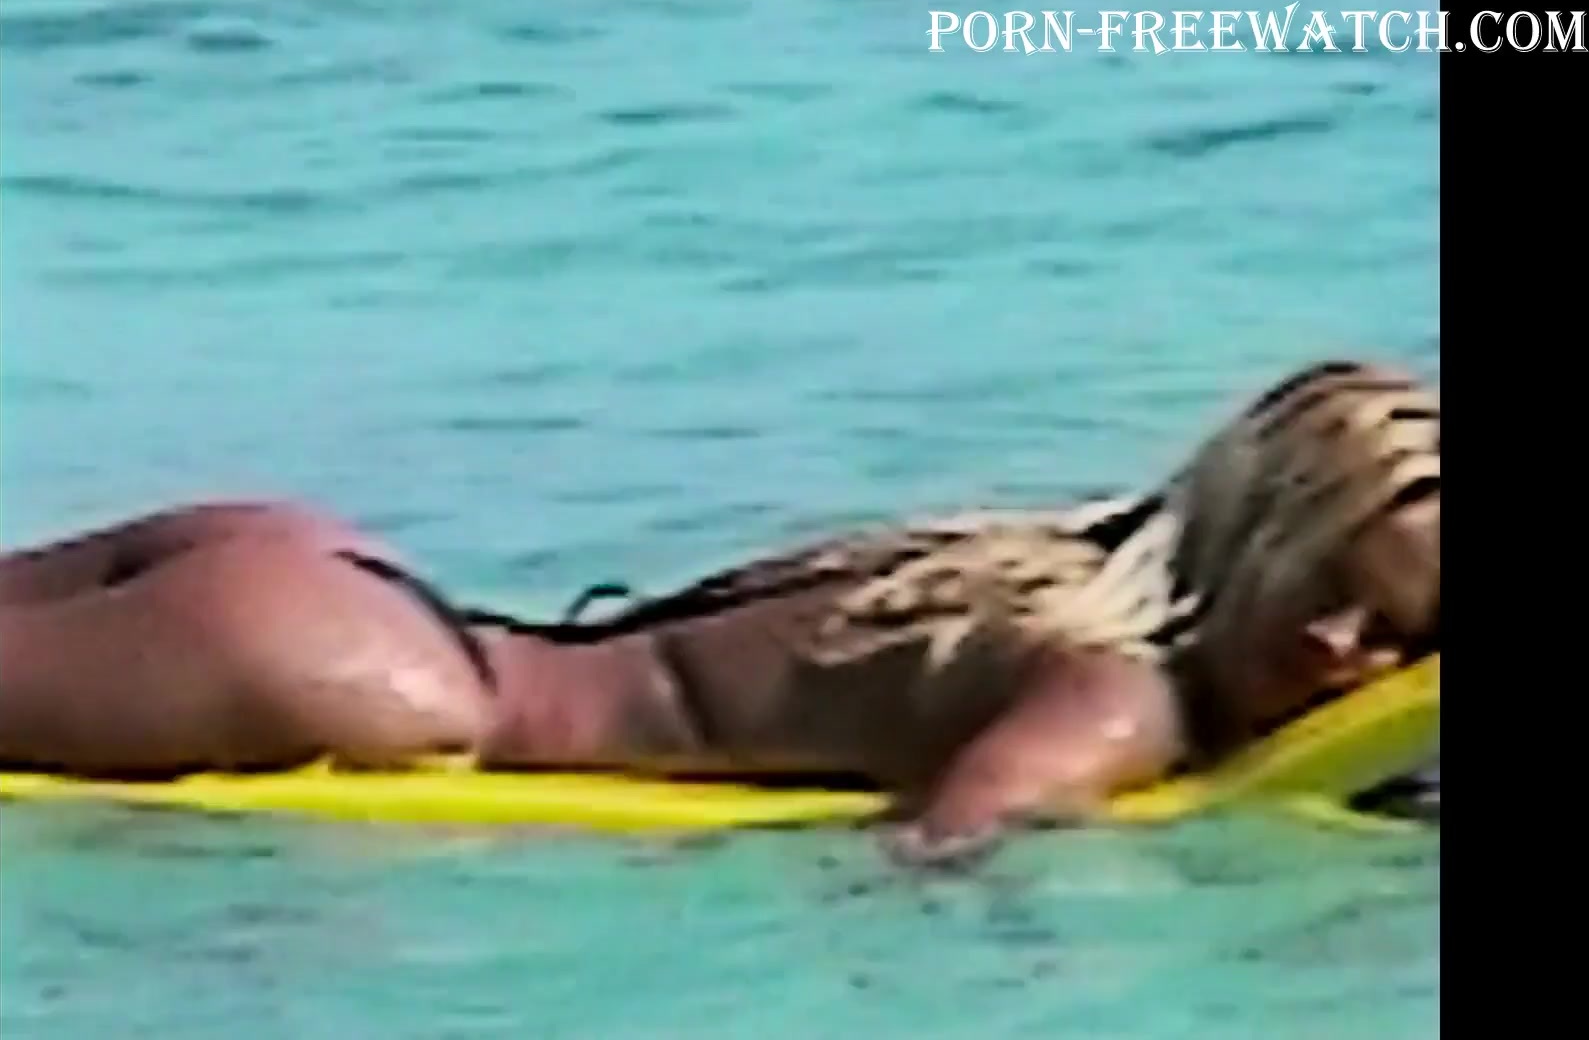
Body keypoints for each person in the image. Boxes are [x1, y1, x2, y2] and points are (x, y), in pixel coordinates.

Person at [0, 359, 1439, 863]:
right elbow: (949, 847)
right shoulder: (1118, 693)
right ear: (1255, 530)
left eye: (1396, 641)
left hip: (329, 582)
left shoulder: (1032, 562)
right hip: (374, 691)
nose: (1342, 651)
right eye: (1330, 592)